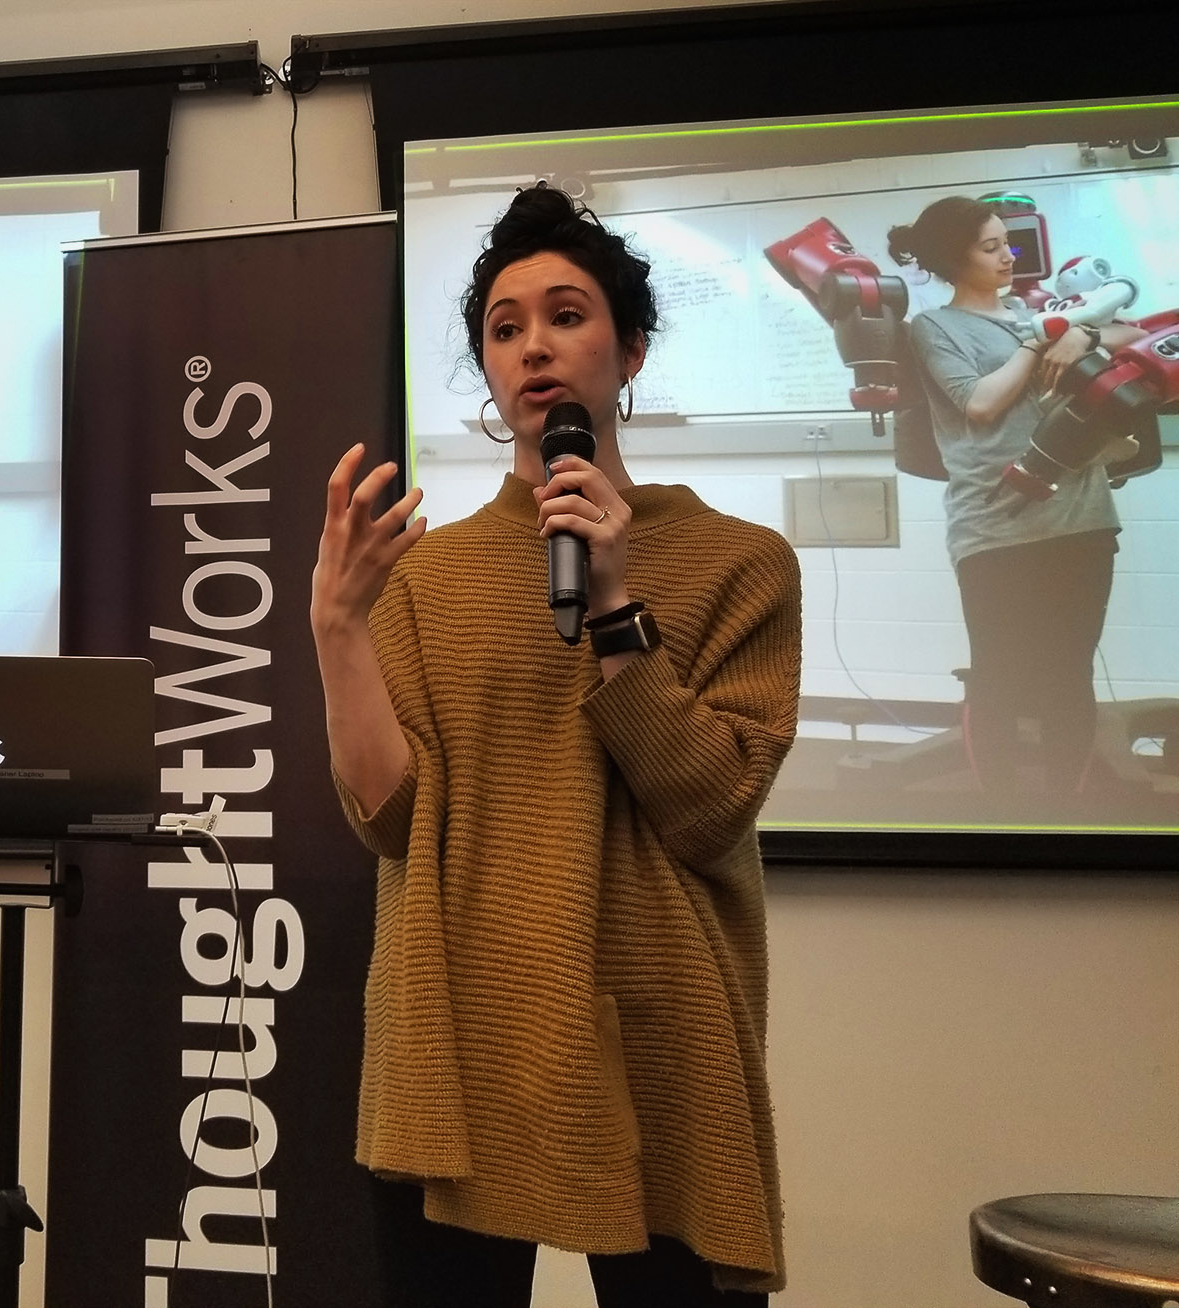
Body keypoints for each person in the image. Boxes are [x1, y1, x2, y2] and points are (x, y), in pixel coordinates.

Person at [311, 181, 801, 1308]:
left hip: (663, 1031)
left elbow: (712, 807)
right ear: (487, 373)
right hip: (461, 1034)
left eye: (567, 315)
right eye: (504, 326)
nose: (534, 345)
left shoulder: (741, 562)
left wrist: (620, 608)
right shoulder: (422, 577)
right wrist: (338, 628)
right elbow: (393, 822)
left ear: (631, 350)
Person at [888, 196, 1144, 797]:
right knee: (999, 677)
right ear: (956, 257)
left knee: (1068, 675)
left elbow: (1130, 331)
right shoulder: (934, 328)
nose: (1010, 255)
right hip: (995, 527)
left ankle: (1062, 815)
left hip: (1081, 519)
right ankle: (1002, 815)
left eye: (1008, 242)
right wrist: (1037, 344)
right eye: (992, 246)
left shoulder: (1040, 309)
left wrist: (1077, 337)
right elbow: (978, 402)